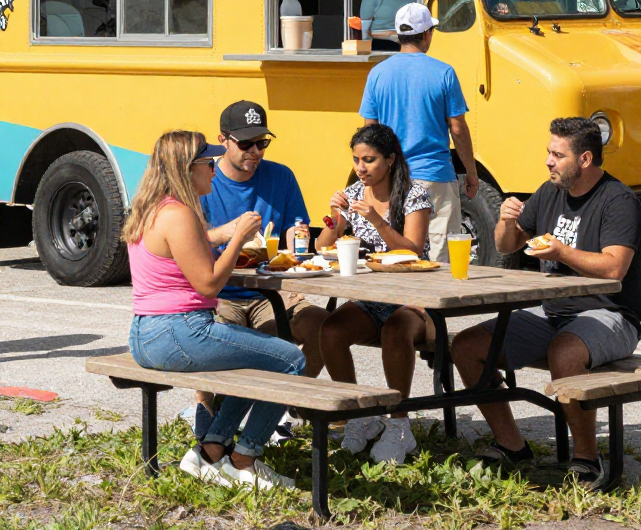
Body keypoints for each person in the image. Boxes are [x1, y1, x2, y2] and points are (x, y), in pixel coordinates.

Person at [452, 117, 641, 488]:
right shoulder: (549, 191)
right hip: (552, 311)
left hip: (610, 313)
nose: (549, 162)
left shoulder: (618, 200)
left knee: (565, 353)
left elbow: (615, 268)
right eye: (548, 153)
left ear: (584, 159)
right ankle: (513, 446)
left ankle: (587, 458)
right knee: (467, 346)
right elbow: (509, 245)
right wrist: (507, 221)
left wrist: (562, 250)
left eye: (557, 154)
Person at [125, 130, 305, 491]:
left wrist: (227, 234)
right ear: (186, 169)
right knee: (290, 360)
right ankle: (245, 459)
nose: (213, 169)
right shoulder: (180, 214)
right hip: (180, 331)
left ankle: (211, 449)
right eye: (207, 163)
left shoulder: (154, 208)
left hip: (146, 333)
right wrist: (238, 237)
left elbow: (197, 244)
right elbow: (208, 285)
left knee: (256, 358)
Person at [190, 100, 328, 440]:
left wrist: (299, 235)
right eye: (246, 143)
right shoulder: (205, 181)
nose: (255, 151)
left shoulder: (280, 176)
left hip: (272, 289)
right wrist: (229, 235)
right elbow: (188, 243)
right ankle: (213, 416)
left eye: (262, 142)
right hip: (222, 292)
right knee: (222, 345)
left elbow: (296, 228)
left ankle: (284, 403)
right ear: (223, 140)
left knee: (324, 327)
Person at [317, 123, 436, 464]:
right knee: (331, 329)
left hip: (415, 299)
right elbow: (322, 247)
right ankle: (360, 416)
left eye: (369, 160)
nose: (360, 168)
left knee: (396, 331)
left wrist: (377, 220)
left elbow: (412, 251)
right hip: (372, 297)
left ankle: (399, 424)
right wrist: (334, 218)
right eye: (356, 159)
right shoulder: (353, 192)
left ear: (391, 160)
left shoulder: (414, 195)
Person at [358, 1, 478, 260]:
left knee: (401, 253)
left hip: (393, 179)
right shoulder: (444, 72)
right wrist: (471, 171)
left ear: (399, 36)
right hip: (435, 177)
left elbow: (370, 133)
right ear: (426, 34)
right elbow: (458, 129)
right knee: (439, 258)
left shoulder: (377, 74)